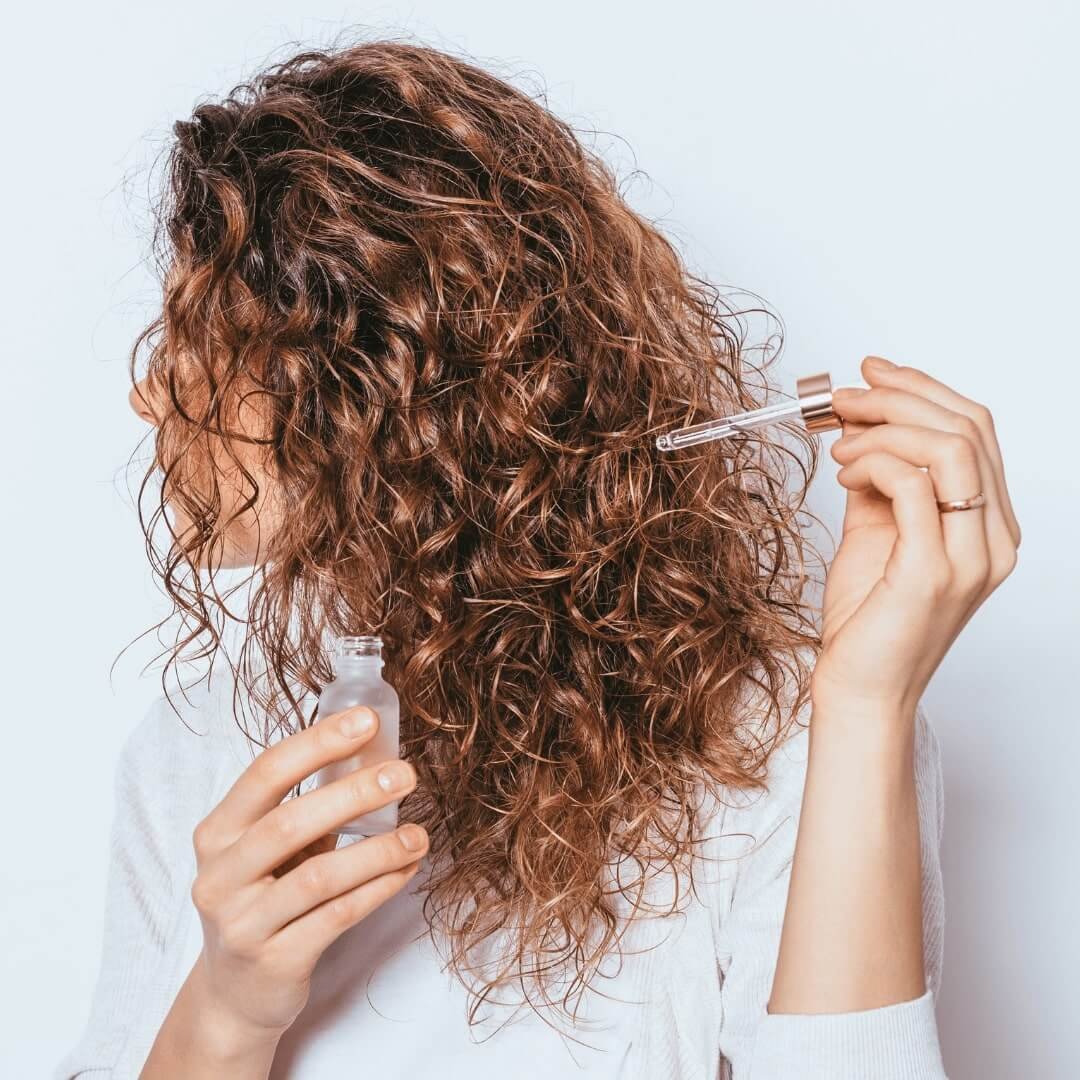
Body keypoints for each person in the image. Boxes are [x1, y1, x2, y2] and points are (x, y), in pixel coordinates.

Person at [55, 38, 1020, 1080]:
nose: (151, 393)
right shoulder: (198, 746)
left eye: (203, 334)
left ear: (374, 386)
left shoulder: (790, 737)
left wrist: (867, 711)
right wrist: (225, 1014)